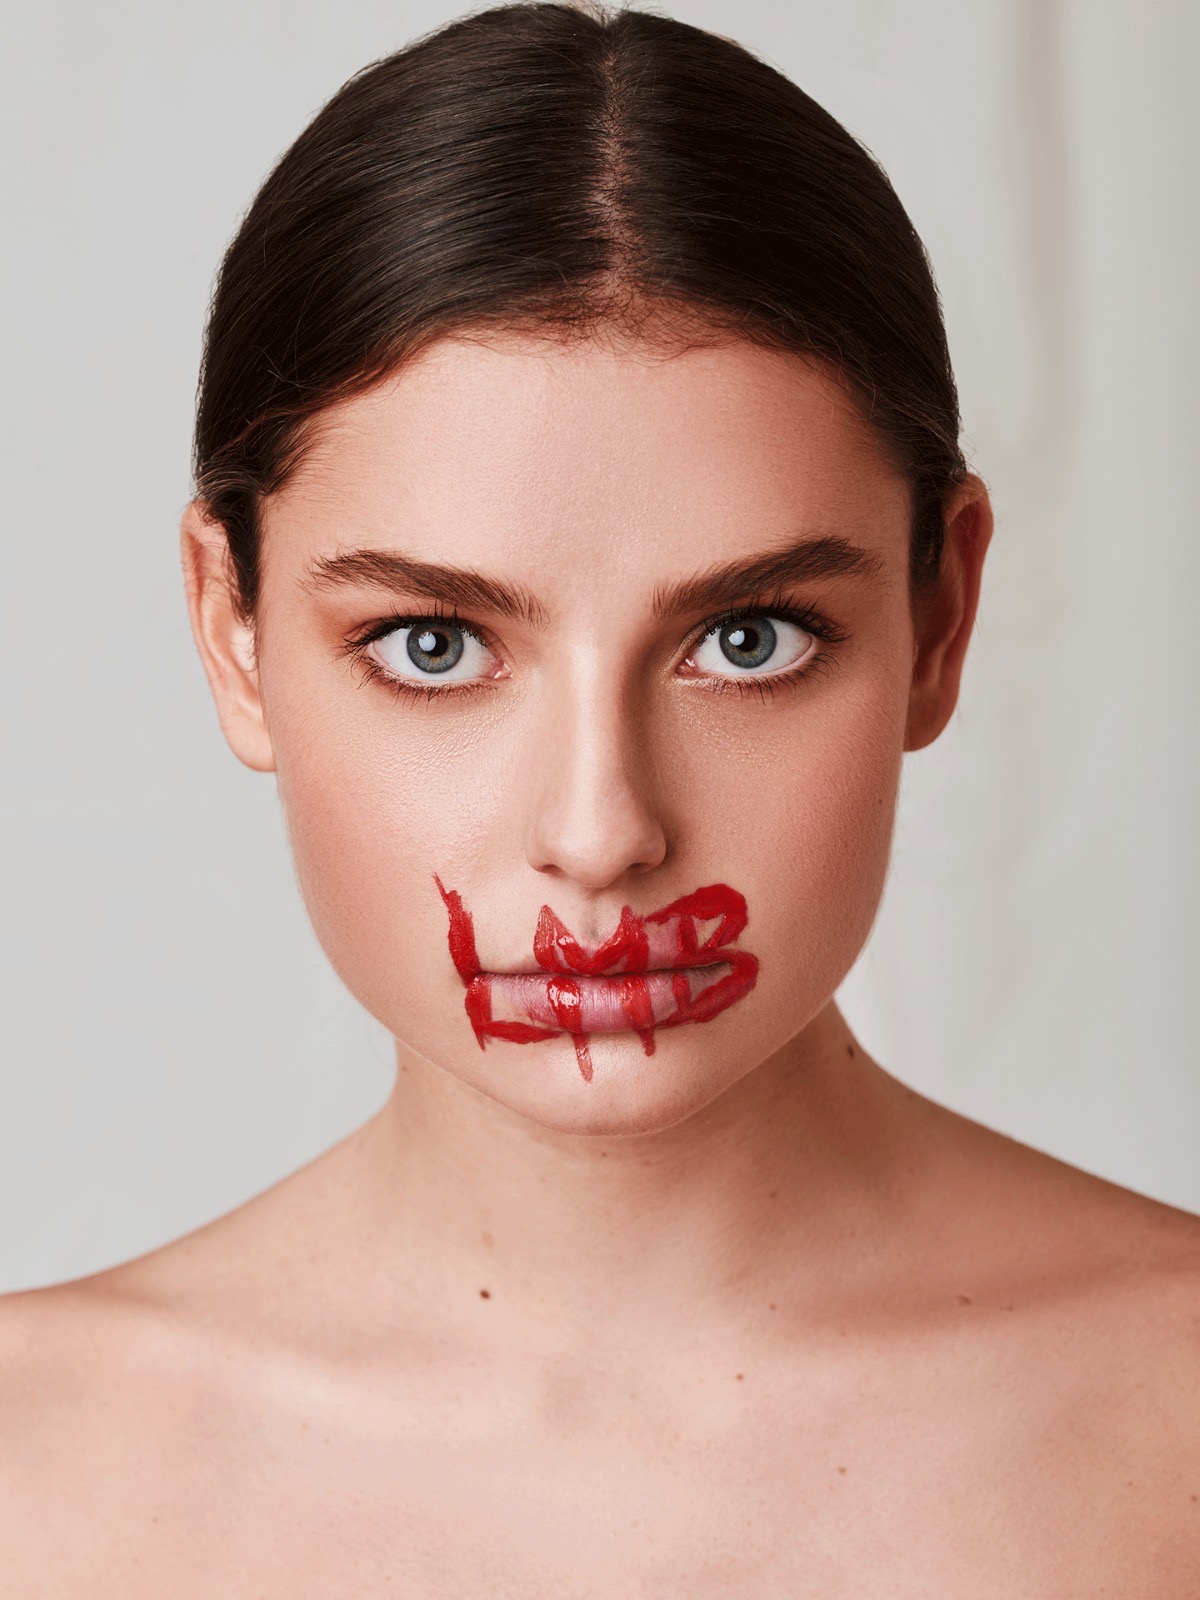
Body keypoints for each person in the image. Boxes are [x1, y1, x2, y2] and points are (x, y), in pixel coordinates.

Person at [1, 3, 1197, 1592]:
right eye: (433, 645)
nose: (602, 831)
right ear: (234, 631)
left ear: (940, 616)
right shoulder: (32, 1470)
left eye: (749, 639)